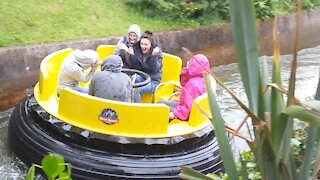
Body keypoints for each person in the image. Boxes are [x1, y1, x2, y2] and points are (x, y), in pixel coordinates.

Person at [159, 54, 210, 121]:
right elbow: (184, 84)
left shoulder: (193, 84)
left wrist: (175, 113)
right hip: (189, 108)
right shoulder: (204, 79)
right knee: (160, 103)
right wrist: (187, 70)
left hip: (188, 113)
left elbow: (189, 106)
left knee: (159, 108)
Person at [125, 31, 163, 103]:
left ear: (150, 45)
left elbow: (155, 69)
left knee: (137, 90)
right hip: (143, 78)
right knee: (129, 80)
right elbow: (134, 67)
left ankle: (137, 109)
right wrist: (131, 56)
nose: (143, 46)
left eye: (146, 45)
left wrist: (153, 57)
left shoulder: (157, 53)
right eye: (141, 44)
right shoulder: (137, 50)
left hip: (153, 81)